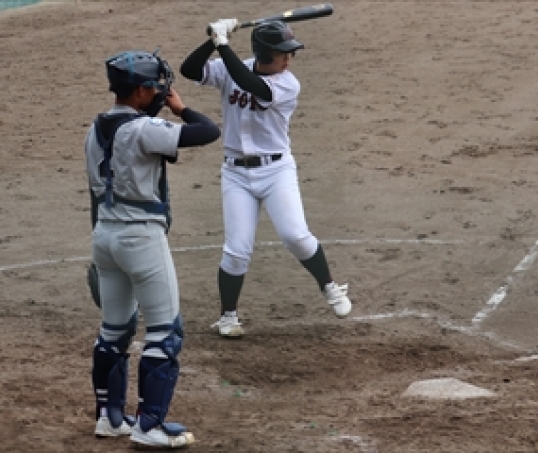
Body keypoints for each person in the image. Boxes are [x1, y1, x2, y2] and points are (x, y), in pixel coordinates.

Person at [180, 19, 352, 338]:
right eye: (282, 53)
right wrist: (213, 40)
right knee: (236, 250)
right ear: (262, 53)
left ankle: (329, 286)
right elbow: (189, 70)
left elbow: (251, 85)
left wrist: (223, 45)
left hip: (276, 171)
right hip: (236, 174)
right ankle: (228, 317)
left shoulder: (288, 84)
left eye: (290, 52)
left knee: (296, 236)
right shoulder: (234, 67)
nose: (288, 59)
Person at [85, 50, 220, 449]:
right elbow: (207, 130)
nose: (161, 91)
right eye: (156, 87)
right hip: (141, 239)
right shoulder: (145, 129)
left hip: (105, 236)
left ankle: (110, 418)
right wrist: (180, 108)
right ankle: (150, 425)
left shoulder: (94, 129)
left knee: (114, 330)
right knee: (165, 333)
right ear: (140, 91)